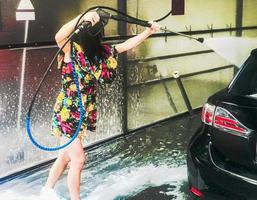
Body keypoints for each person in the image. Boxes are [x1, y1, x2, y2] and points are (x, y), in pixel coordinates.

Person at [40, 11, 160, 200]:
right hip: (68, 113)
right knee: (78, 160)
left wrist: (148, 32)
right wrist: (83, 16)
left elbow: (126, 45)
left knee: (65, 157)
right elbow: (59, 35)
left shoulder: (100, 53)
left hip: (81, 113)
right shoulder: (71, 49)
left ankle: (46, 191)